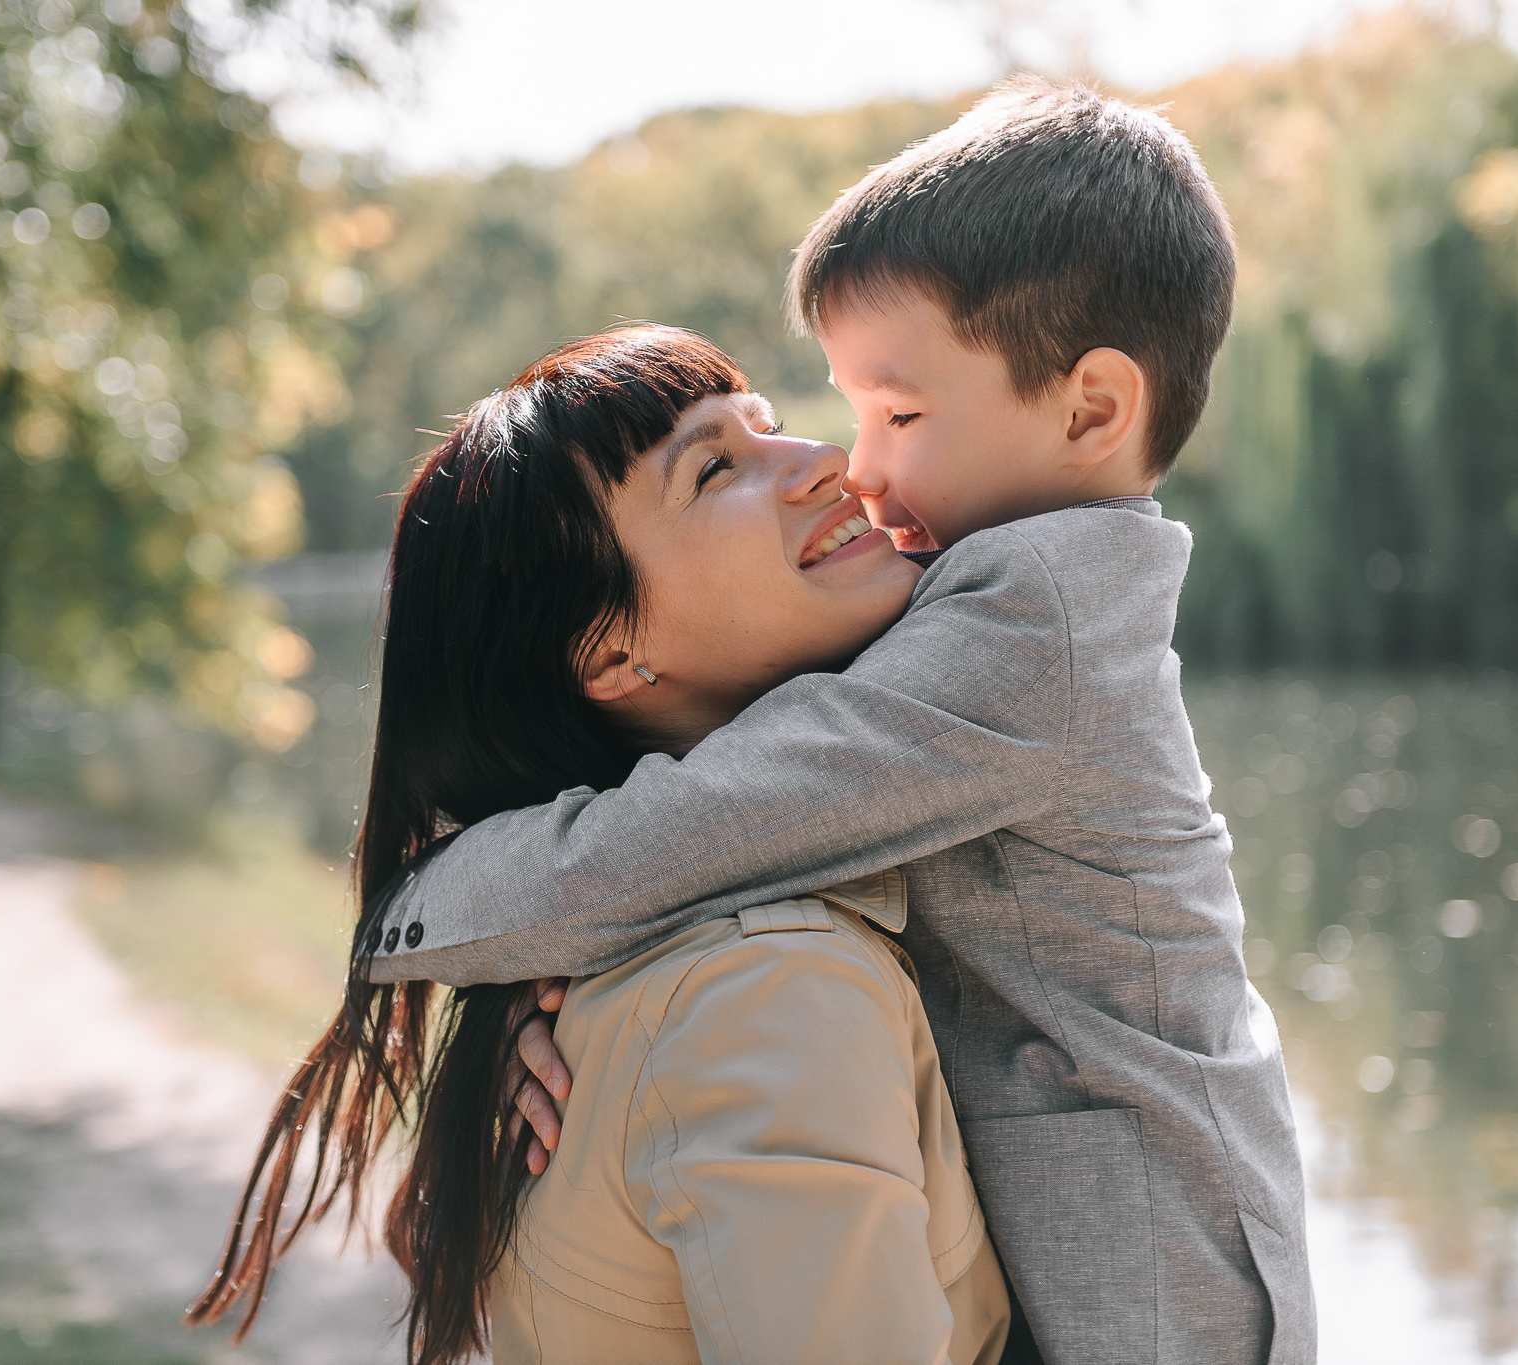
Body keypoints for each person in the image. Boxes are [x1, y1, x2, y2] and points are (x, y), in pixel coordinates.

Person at [362, 77, 1318, 1365]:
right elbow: (727, 845)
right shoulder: (978, 619)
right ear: (606, 651)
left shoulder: (1033, 614)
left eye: (899, 416)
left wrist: (431, 913)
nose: (844, 464)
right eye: (721, 465)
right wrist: (563, 1002)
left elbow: (719, 825)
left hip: (1148, 1277)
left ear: (1091, 410)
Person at [188, 326, 1012, 1365]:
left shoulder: (611, 974)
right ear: (607, 650)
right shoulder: (769, 987)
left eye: (767, 428)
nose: (823, 462)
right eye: (715, 468)